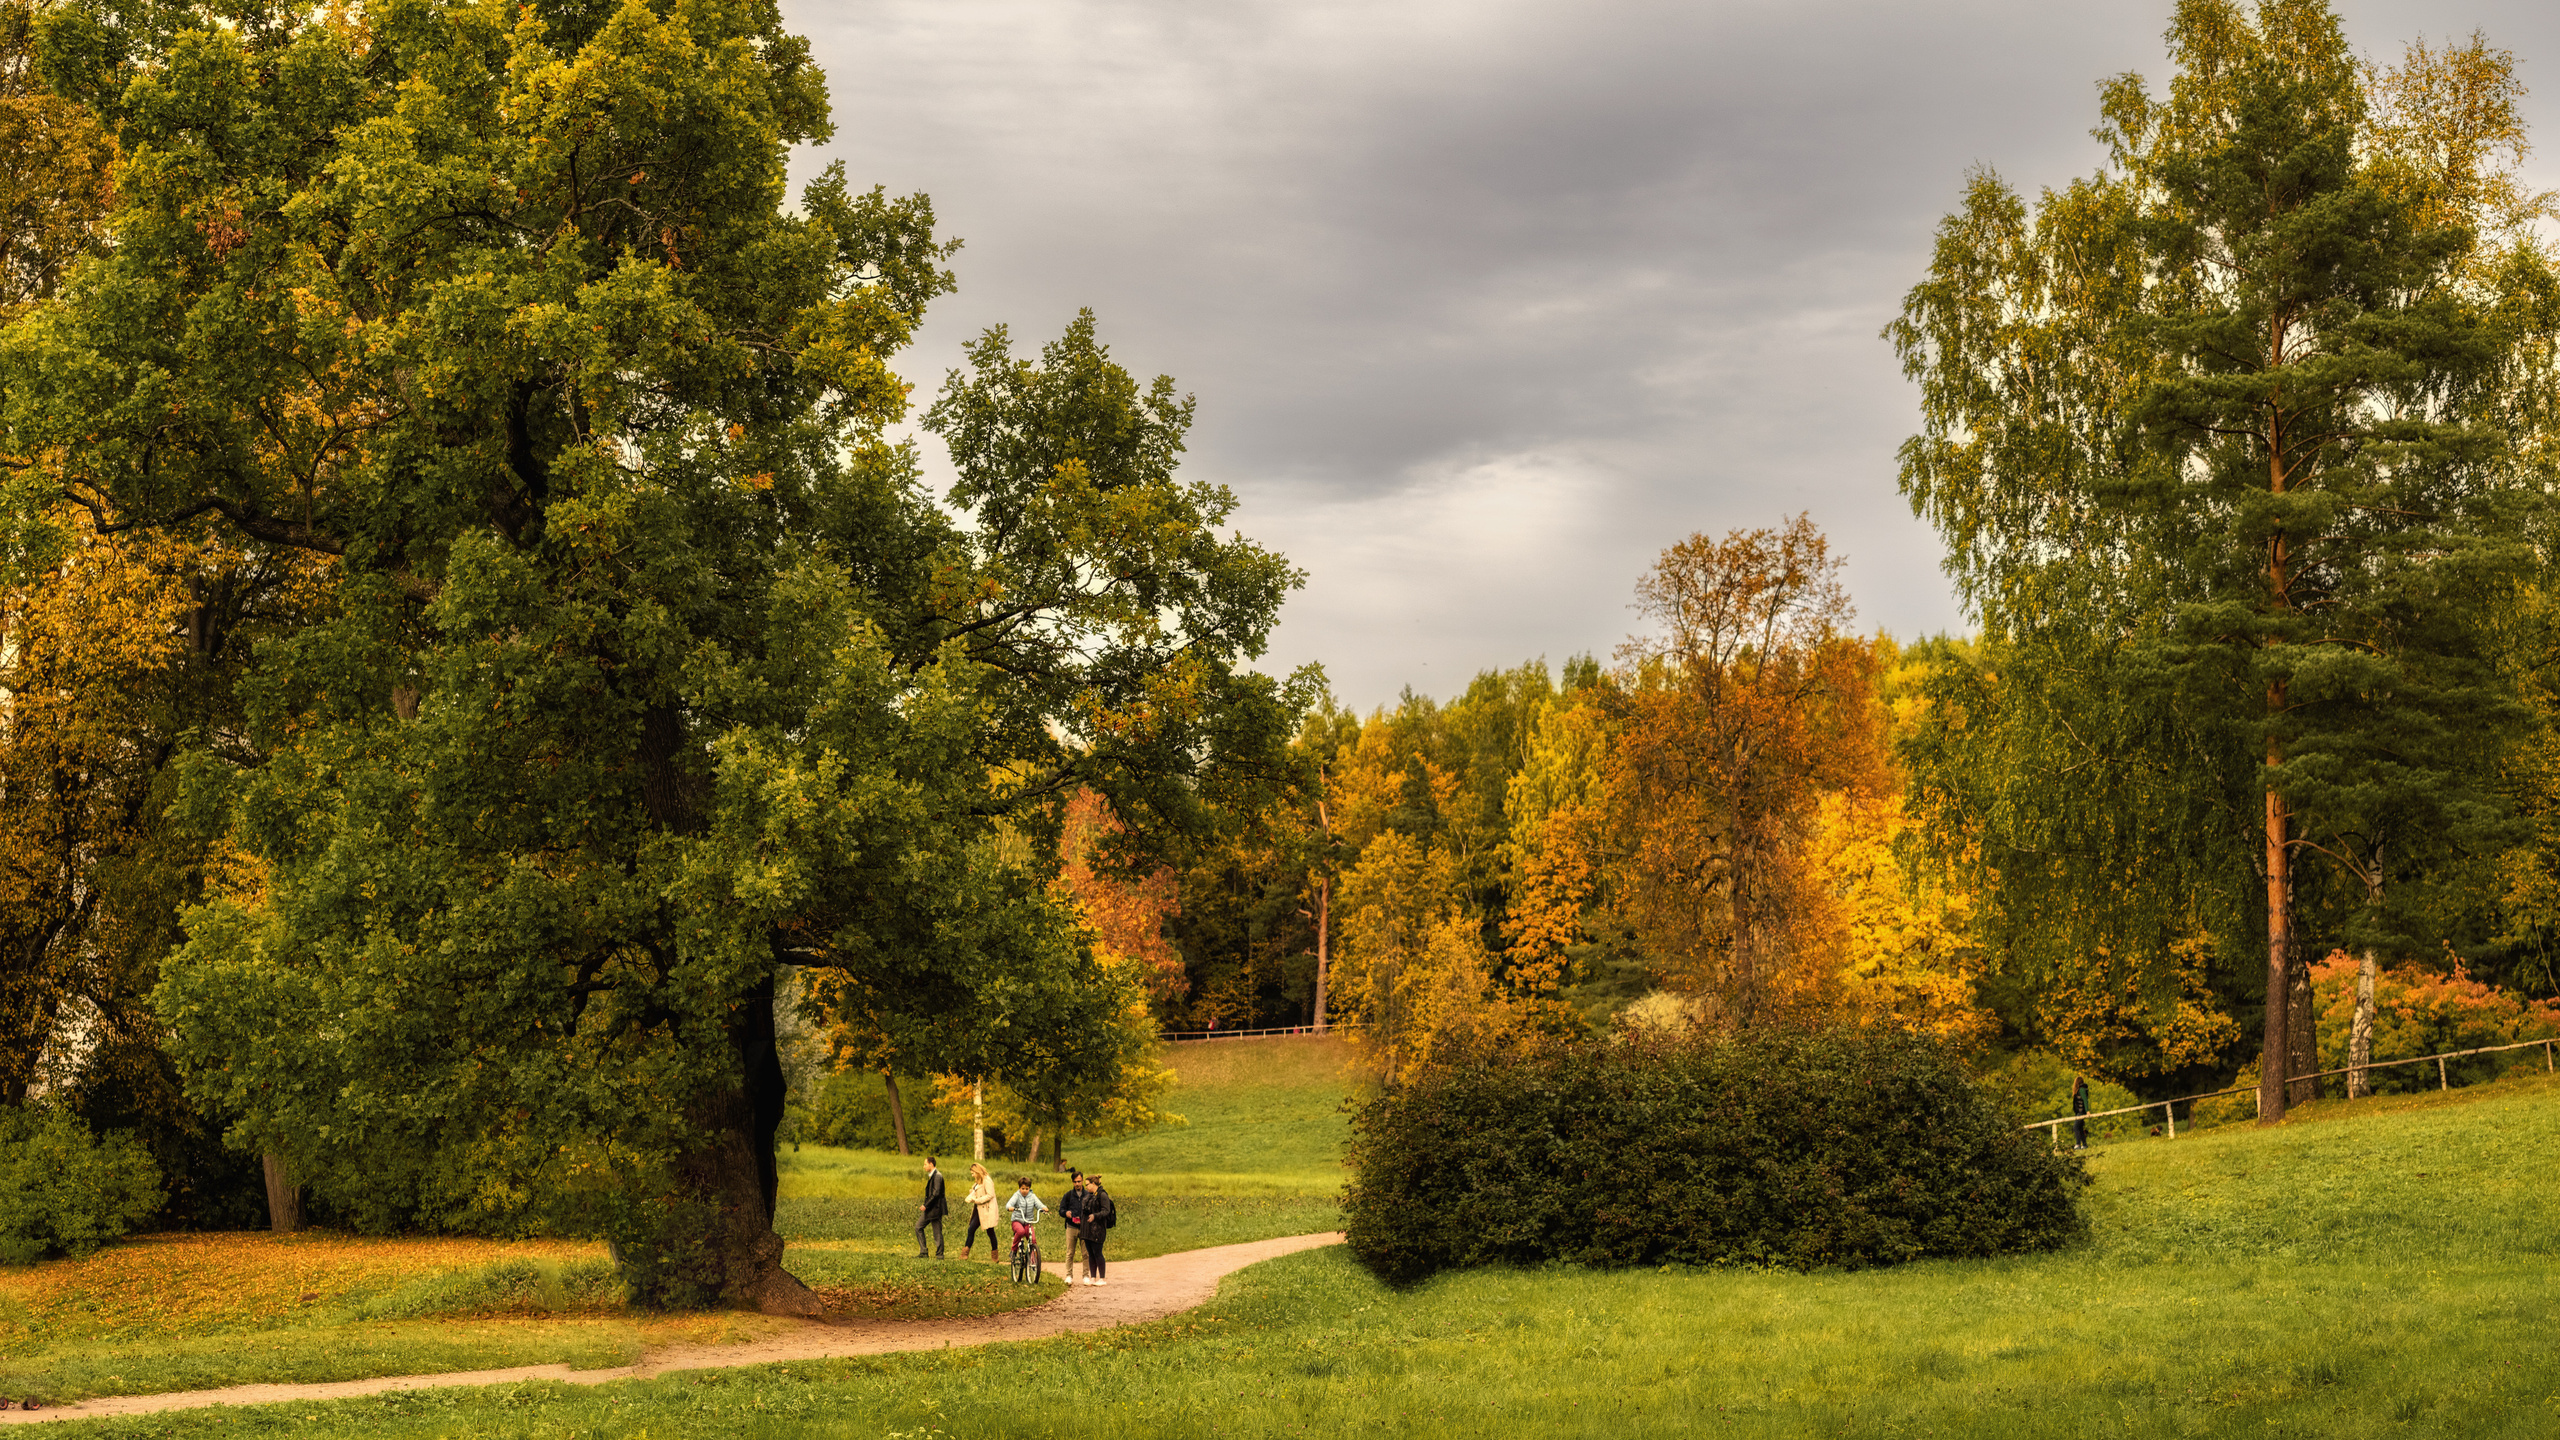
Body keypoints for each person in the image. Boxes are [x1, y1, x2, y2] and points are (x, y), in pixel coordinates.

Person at [1078, 1173, 1116, 1286]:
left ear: (1094, 1184)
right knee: (1091, 1253)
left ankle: (1102, 1278)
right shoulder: (1090, 1195)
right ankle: (1093, 1277)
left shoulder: (1102, 1195)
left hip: (1098, 1229)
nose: (1086, 1187)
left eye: (1087, 1184)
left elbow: (1106, 1211)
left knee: (1098, 1253)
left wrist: (1095, 1216)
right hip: (1088, 1229)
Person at [960, 1162, 999, 1261]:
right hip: (979, 1210)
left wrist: (976, 1200)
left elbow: (990, 1195)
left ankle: (995, 1255)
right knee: (971, 1229)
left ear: (977, 1172)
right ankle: (964, 1254)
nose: (972, 1175)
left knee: (990, 1231)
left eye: (973, 1173)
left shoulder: (987, 1180)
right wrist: (972, 1194)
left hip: (987, 1210)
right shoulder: (978, 1181)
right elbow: (978, 1191)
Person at [1003, 1175, 1047, 1263]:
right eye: (1023, 1188)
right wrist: (1010, 1207)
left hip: (1028, 1222)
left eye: (1027, 1188)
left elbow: (1039, 1204)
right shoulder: (1016, 1195)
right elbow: (1009, 1204)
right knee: (1021, 1232)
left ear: (1029, 1188)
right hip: (1017, 1221)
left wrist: (1043, 1208)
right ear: (1019, 1188)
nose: (1025, 1191)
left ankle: (1033, 1260)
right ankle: (1013, 1250)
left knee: (1033, 1240)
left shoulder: (1032, 1196)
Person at [1058, 1172, 1092, 1279]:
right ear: (1072, 1182)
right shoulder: (1068, 1195)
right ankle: (1069, 1275)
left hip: (1085, 1228)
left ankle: (1086, 1275)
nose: (1077, 1184)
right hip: (1071, 1227)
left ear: (1082, 1181)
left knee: (1086, 1253)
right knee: (1070, 1253)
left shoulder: (1088, 1195)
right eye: (1075, 1182)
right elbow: (1061, 1210)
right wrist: (1066, 1213)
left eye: (1079, 1181)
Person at [914, 1156, 947, 1258]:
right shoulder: (934, 1175)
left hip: (935, 1208)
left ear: (931, 1164)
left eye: (925, 1164)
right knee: (920, 1227)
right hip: (932, 1208)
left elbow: (936, 1193)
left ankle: (938, 1254)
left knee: (934, 1231)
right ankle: (925, 1252)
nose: (924, 1166)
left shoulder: (937, 1176)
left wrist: (925, 1205)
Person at [2071, 1076, 2090, 1151]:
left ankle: (2078, 1144)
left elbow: (2085, 1100)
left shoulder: (2081, 1090)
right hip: (2078, 1112)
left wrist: (2087, 1111)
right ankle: (2084, 1144)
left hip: (2081, 1112)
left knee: (2075, 1127)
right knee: (2080, 1128)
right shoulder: (2078, 1090)